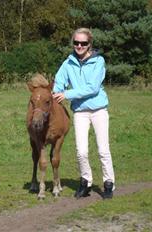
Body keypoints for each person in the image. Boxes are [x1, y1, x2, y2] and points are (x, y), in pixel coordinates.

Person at [52, 28, 115, 199]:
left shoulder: (98, 61)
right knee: (81, 152)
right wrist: (56, 92)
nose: (79, 46)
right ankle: (85, 182)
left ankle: (108, 183)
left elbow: (92, 88)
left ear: (89, 45)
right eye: (76, 43)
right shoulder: (68, 62)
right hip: (80, 112)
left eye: (83, 43)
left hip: (98, 110)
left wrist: (67, 94)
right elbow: (59, 81)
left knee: (103, 150)